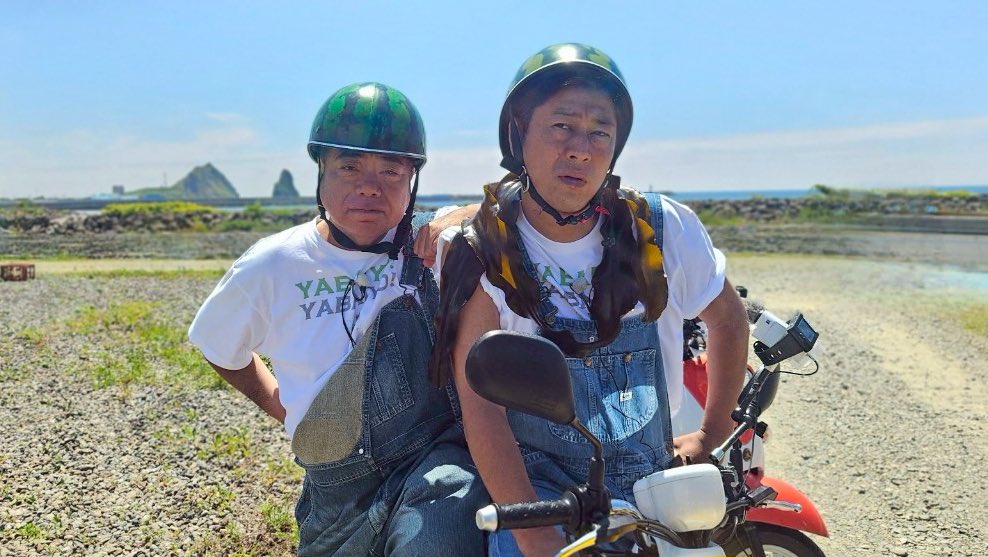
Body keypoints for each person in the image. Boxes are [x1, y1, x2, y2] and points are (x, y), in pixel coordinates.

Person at [430, 44, 750, 556]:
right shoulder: (483, 248)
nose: (581, 148)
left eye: (600, 130)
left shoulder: (663, 229)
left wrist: (710, 434)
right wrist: (534, 535)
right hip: (541, 491)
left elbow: (729, 323)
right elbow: (482, 406)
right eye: (561, 126)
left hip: (654, 483)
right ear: (519, 132)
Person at [189, 82, 487, 556]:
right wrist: (279, 404)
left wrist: (460, 218)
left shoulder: (428, 241)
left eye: (392, 171)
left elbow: (511, 205)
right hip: (334, 483)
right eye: (350, 167)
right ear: (321, 174)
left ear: (412, 181)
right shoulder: (273, 264)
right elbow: (217, 345)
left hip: (431, 460)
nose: (370, 187)